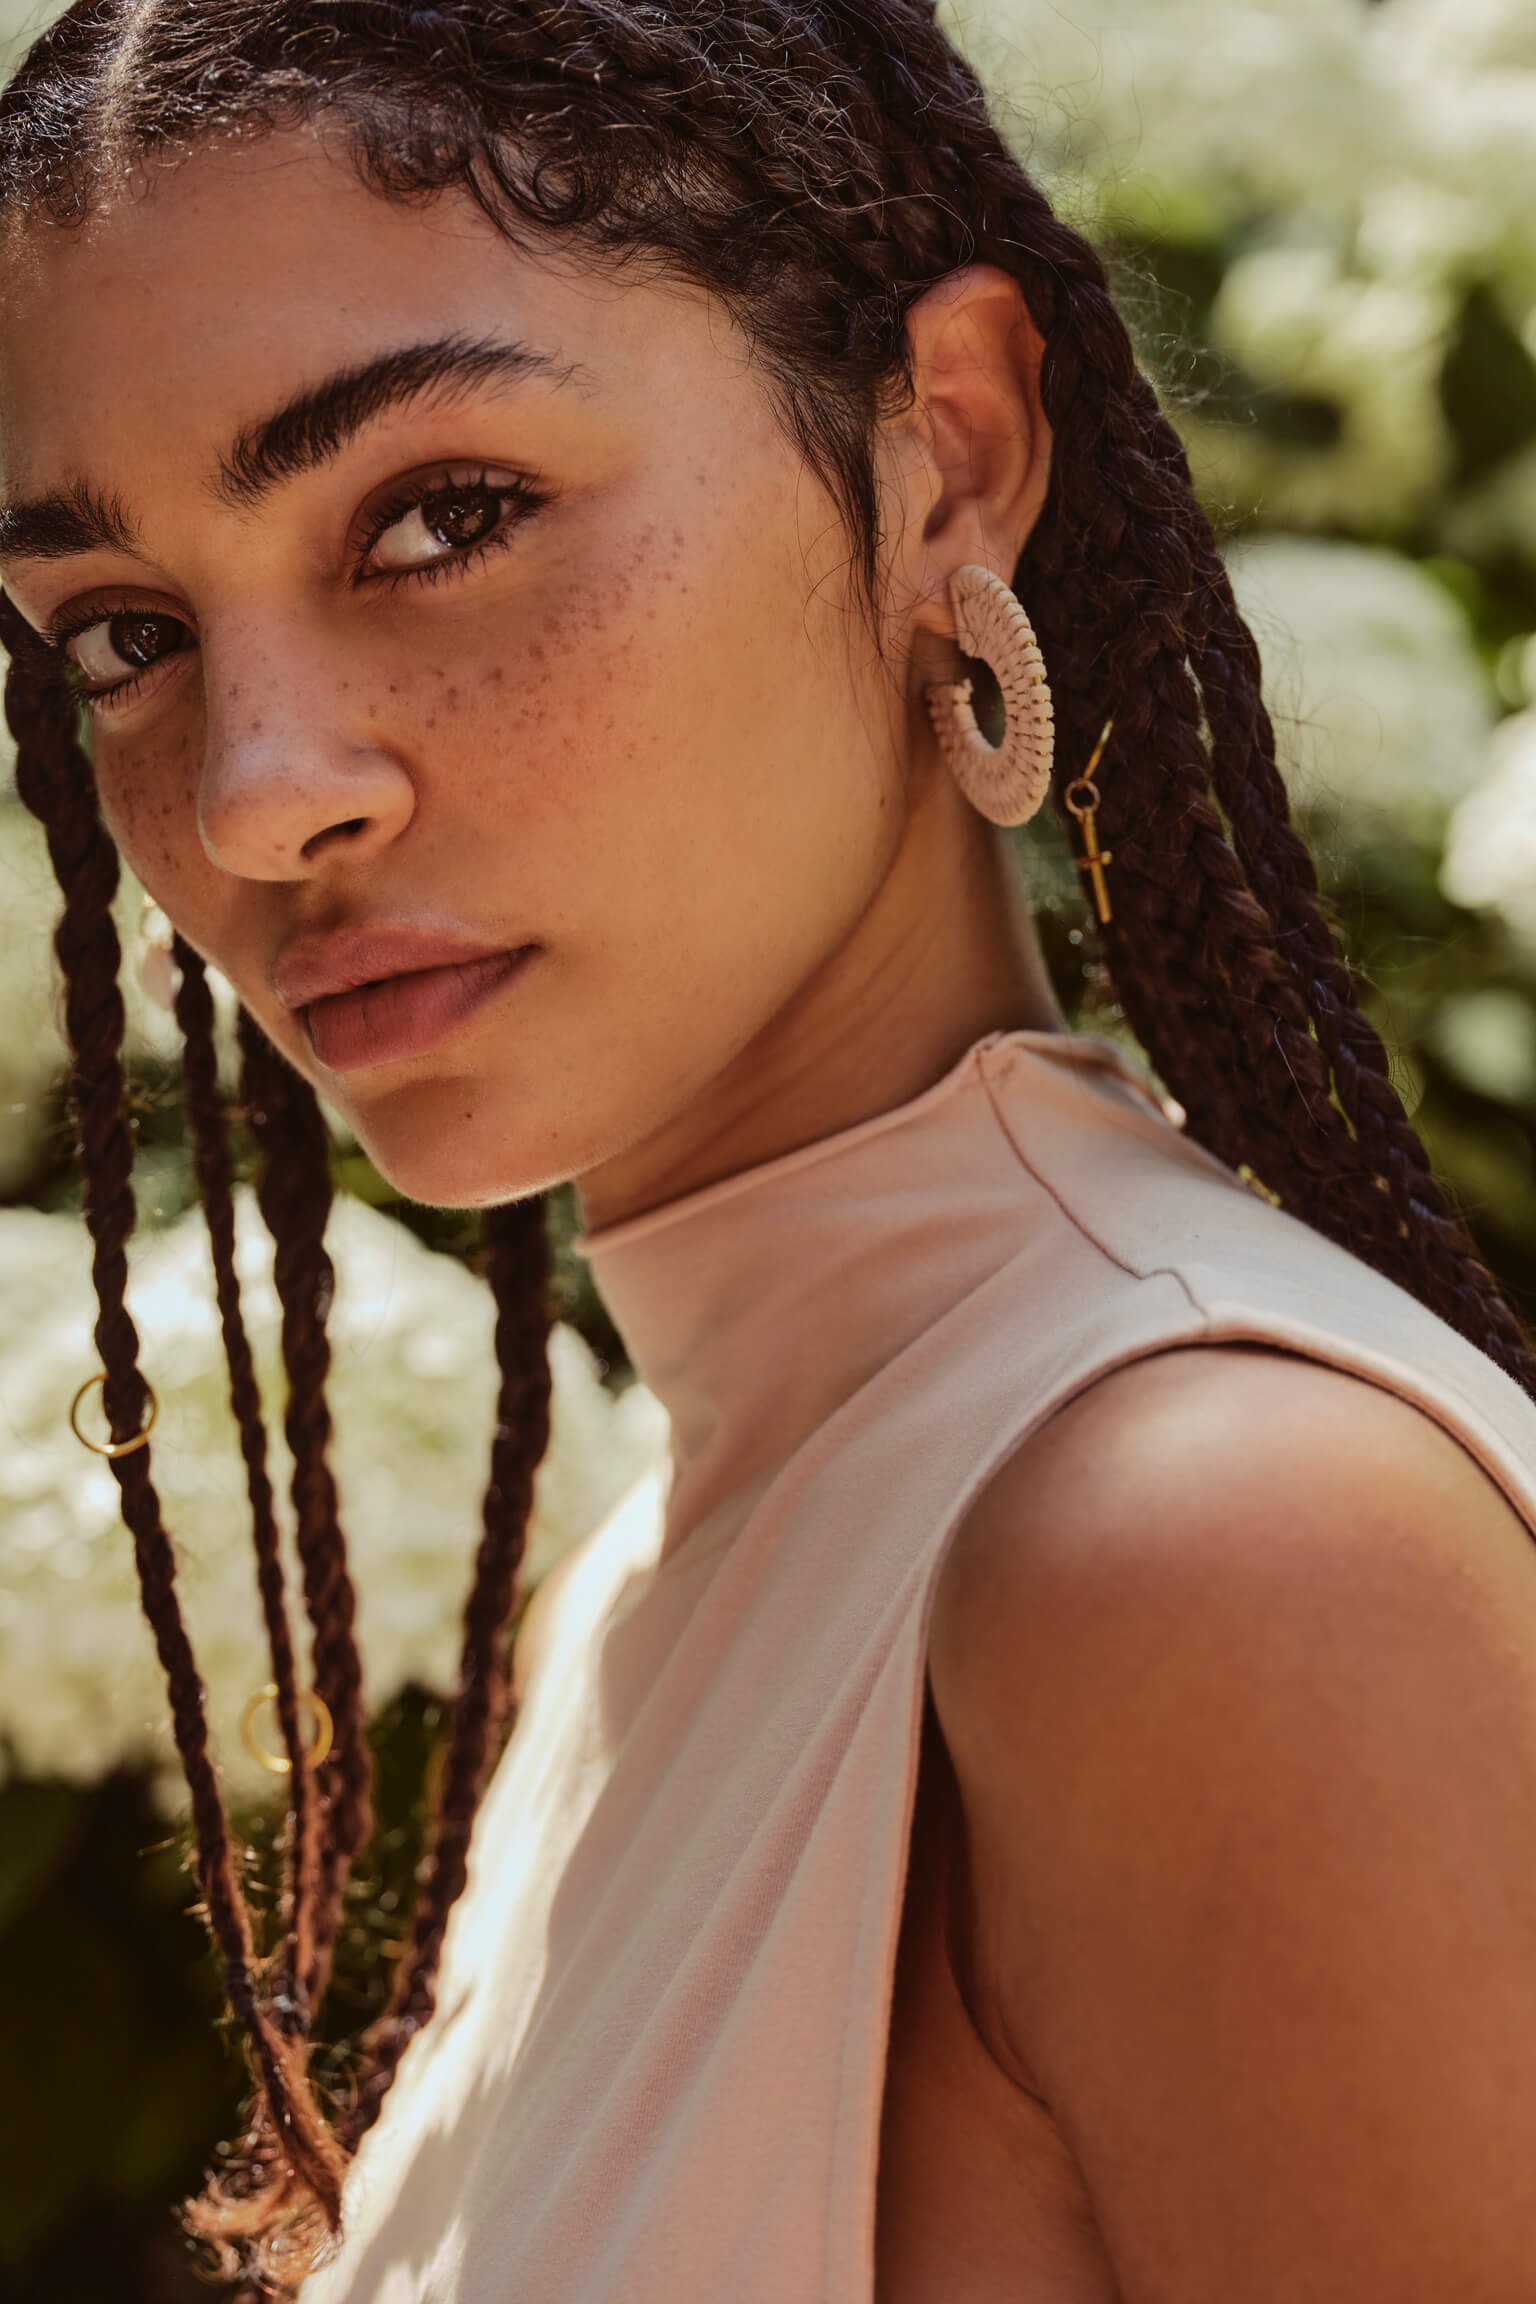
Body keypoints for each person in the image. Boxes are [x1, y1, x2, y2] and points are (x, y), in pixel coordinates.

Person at [3, 3, 1536, 2298]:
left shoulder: (1208, 1545)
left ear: (950, 454)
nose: (251, 793)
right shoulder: (684, 1539)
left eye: (442, 513)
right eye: (125, 631)